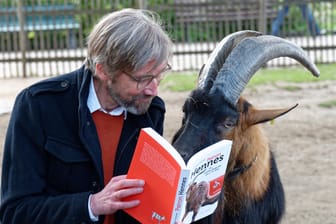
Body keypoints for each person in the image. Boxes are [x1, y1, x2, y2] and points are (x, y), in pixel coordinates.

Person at [0, 8, 173, 224]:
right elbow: (15, 213)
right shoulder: (37, 106)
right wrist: (90, 205)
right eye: (143, 79)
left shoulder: (150, 110)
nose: (153, 90)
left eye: (159, 76)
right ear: (103, 70)